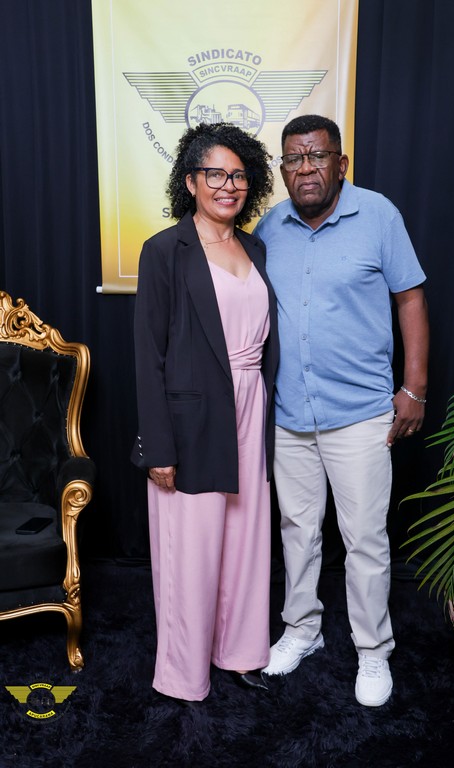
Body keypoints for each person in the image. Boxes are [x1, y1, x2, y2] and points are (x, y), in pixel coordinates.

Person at [254, 114, 429, 707]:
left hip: (359, 414)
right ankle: (302, 629)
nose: (305, 168)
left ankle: (373, 650)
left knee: (365, 540)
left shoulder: (379, 215)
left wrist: (414, 388)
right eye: (294, 159)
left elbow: (410, 299)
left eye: (317, 156)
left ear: (340, 164)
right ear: (283, 169)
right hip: (289, 414)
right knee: (297, 531)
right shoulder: (269, 226)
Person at [131, 122, 278, 702]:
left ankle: (239, 652)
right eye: (215, 173)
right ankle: (184, 673)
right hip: (191, 420)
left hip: (251, 406)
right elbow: (149, 355)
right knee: (190, 552)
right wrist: (158, 446)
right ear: (190, 182)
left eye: (238, 175)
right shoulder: (165, 250)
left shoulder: (256, 247)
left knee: (246, 539)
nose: (228, 185)